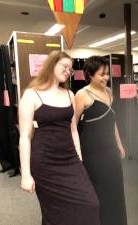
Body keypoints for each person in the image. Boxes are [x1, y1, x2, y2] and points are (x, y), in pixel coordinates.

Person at [18, 51, 100, 225]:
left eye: (70, 69)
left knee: (91, 204)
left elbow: (73, 131)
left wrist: (79, 157)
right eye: (64, 66)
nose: (68, 71)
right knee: (54, 213)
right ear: (51, 65)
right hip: (44, 162)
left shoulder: (69, 95)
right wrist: (25, 174)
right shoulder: (32, 94)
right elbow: (24, 137)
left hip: (70, 159)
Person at [75, 56, 127, 225]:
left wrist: (119, 144)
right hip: (92, 153)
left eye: (107, 74)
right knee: (98, 192)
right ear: (89, 74)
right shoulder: (81, 95)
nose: (106, 77)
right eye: (102, 74)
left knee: (115, 189)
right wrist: (75, 153)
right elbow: (72, 127)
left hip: (110, 149)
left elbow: (112, 121)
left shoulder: (109, 92)